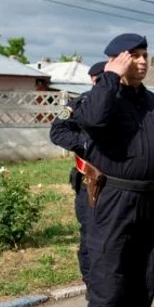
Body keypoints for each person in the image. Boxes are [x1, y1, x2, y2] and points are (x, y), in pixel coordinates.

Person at [72, 34, 154, 307]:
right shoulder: (99, 98)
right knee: (109, 278)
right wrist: (111, 78)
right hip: (113, 199)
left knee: (141, 278)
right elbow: (94, 122)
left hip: (148, 199)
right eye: (134, 56)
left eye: (146, 55)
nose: (142, 61)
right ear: (117, 61)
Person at [49, 61, 105, 289]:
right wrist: (83, 143)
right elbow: (57, 131)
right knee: (90, 233)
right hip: (89, 181)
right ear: (93, 80)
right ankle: (91, 282)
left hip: (118, 182)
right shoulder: (81, 103)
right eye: (100, 78)